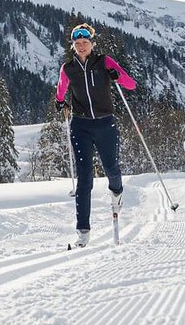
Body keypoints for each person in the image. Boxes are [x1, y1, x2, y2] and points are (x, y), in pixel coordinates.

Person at [54, 23, 135, 244]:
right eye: (77, 43)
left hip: (105, 124)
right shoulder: (68, 68)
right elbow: (61, 89)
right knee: (85, 178)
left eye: (85, 42)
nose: (81, 46)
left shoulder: (104, 62)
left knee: (111, 168)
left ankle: (117, 193)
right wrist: (60, 102)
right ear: (73, 45)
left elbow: (130, 85)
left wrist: (116, 75)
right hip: (80, 126)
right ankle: (83, 230)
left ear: (92, 43)